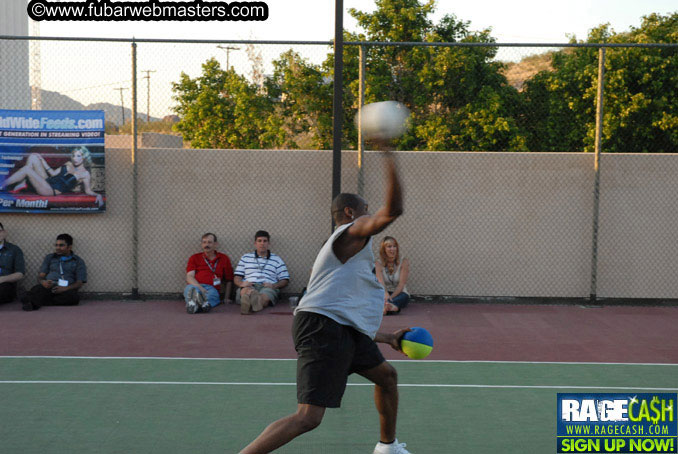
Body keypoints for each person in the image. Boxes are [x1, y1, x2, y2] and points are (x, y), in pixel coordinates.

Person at [240, 151, 412, 454]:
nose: (370, 215)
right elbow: (394, 210)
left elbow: (343, 312)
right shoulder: (349, 233)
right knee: (308, 418)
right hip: (321, 328)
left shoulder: (351, 253)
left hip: (337, 327)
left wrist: (387, 338)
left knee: (386, 377)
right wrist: (388, 153)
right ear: (349, 213)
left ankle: (388, 447)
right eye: (365, 211)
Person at [1, 147, 104, 207]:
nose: (75, 159)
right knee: (33, 156)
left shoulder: (85, 174)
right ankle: (22, 182)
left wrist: (97, 195)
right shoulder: (68, 163)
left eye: (78, 156)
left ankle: (3, 185)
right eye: (73, 156)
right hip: (48, 180)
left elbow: (88, 191)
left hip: (51, 190)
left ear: (84, 157)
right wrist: (42, 160)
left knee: (27, 169)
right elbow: (53, 173)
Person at [22, 233, 87, 311]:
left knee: (73, 298)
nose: (57, 248)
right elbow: (41, 276)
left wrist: (65, 289)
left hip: (66, 289)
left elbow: (80, 282)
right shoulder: (50, 258)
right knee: (37, 289)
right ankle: (32, 301)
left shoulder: (78, 261)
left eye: (61, 245)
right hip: (49, 286)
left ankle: (34, 301)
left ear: (69, 247)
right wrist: (43, 282)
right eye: (56, 245)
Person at [234, 230, 289, 315]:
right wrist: (241, 284)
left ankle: (249, 305)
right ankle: (252, 303)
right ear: (255, 243)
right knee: (246, 290)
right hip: (250, 284)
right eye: (259, 241)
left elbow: (285, 280)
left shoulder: (277, 259)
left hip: (267, 286)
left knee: (265, 296)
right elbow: (237, 277)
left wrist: (274, 285)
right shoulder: (245, 257)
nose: (262, 243)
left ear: (268, 243)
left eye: (265, 241)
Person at [184, 232, 234, 314]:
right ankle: (203, 304)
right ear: (201, 244)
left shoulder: (224, 258)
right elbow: (189, 277)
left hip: (212, 289)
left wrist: (226, 298)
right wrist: (200, 288)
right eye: (204, 242)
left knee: (212, 296)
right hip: (195, 286)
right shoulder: (194, 257)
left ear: (215, 244)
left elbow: (229, 280)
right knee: (190, 290)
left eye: (209, 242)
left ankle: (194, 304)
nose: (206, 245)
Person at [375, 236, 410, 315]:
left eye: (394, 246)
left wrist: (391, 298)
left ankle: (385, 307)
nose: (392, 249)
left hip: (399, 293)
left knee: (403, 298)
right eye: (389, 247)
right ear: (384, 249)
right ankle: (393, 308)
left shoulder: (404, 261)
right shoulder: (378, 263)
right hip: (383, 293)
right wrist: (386, 294)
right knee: (373, 297)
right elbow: (381, 283)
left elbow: (401, 284)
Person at [0, 222, 25, 305]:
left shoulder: (14, 250)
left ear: (4, 232)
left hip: (5, 284)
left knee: (3, 289)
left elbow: (20, 274)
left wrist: (2, 279)